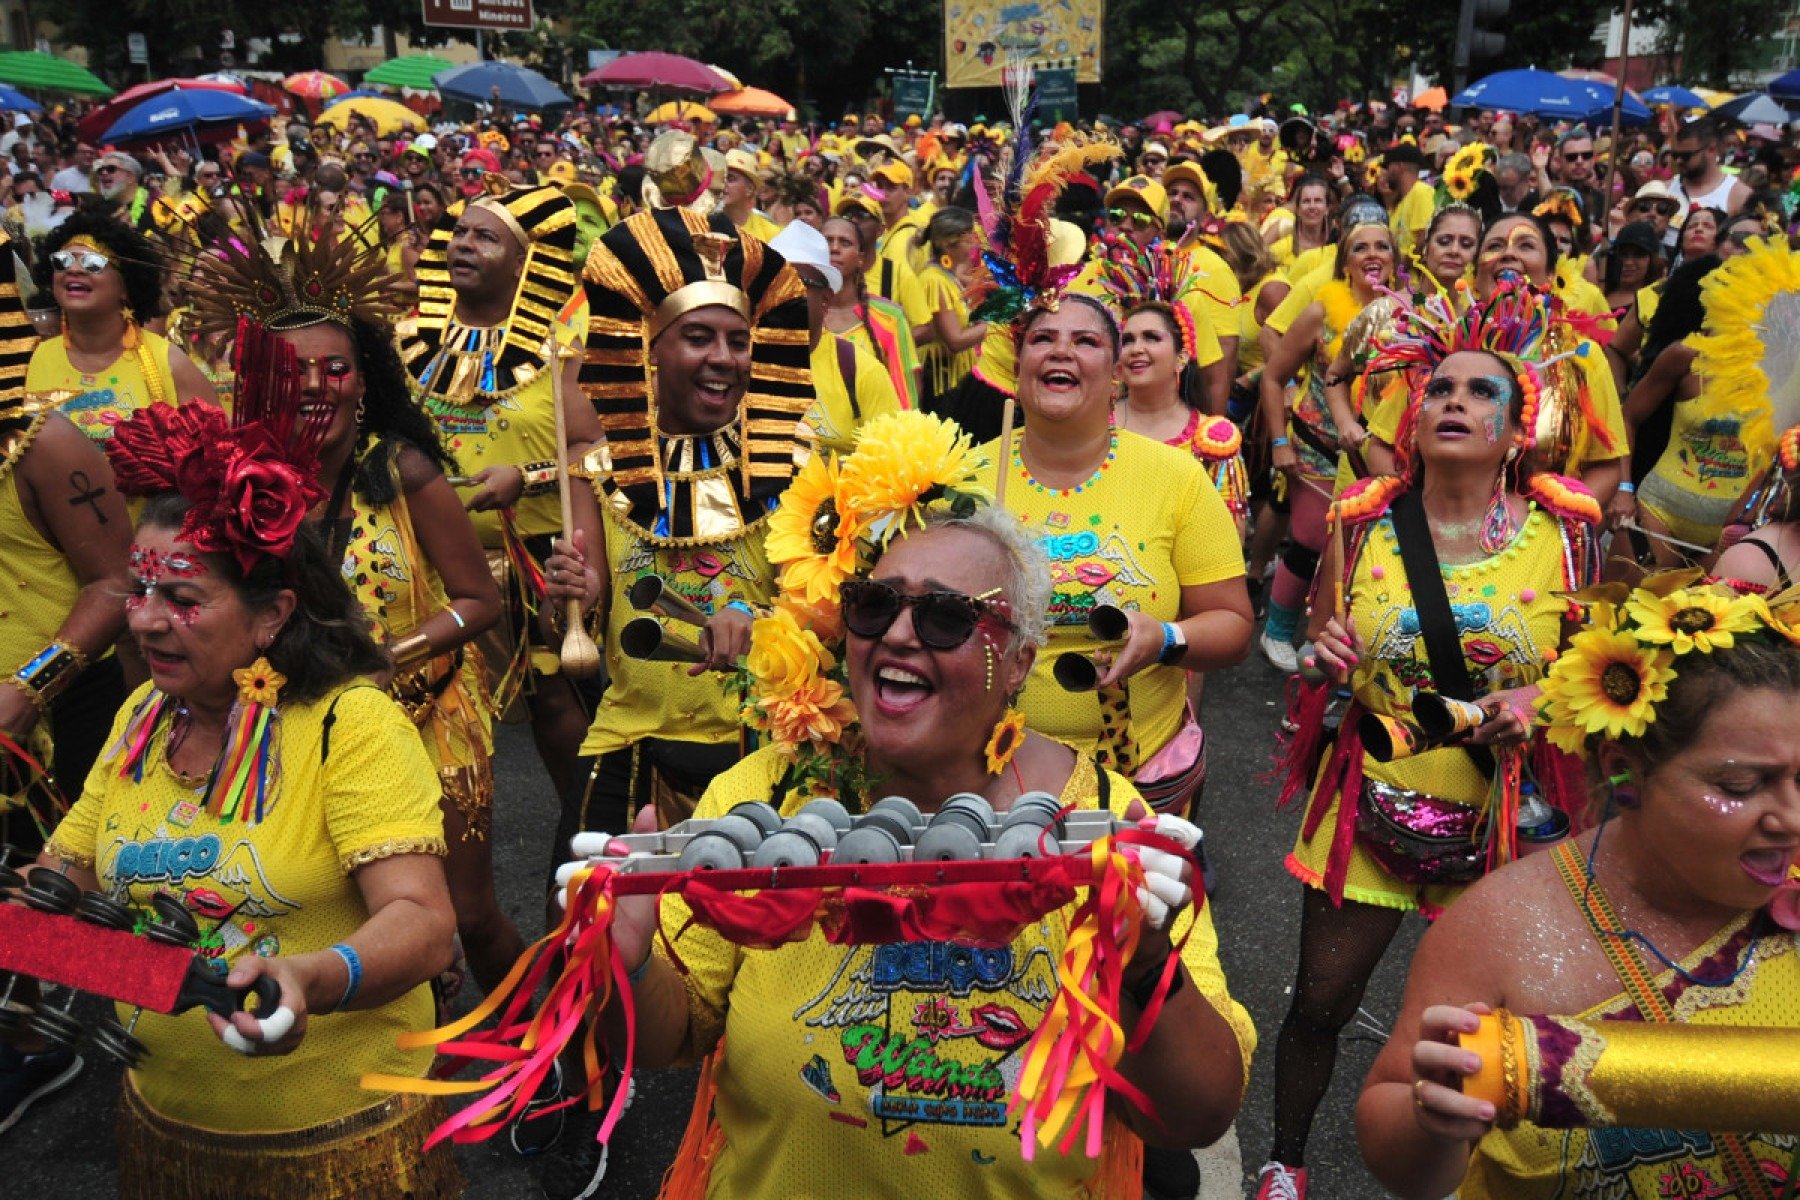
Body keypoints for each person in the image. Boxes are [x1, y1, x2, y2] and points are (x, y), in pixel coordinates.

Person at [559, 494, 1255, 1198]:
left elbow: (1197, 1112)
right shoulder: (765, 796)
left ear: (1018, 664)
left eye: (946, 617)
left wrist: (1144, 965)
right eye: (873, 606)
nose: (896, 634)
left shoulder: (1104, 817)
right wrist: (628, 961)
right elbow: (662, 1039)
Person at [37, 351, 460, 1198]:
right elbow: (65, 886)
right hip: (170, 1127)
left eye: (184, 599)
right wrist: (35, 942)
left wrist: (310, 977)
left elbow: (423, 923)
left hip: (339, 1141)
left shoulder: (350, 723)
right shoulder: (138, 721)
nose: (148, 621)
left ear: (272, 615)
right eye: (140, 592)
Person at [1259, 285, 1603, 1200]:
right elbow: (1322, 646)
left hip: (1506, 820)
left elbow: (1607, 674)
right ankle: (1284, 1165)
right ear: (1412, 417)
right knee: (1320, 1006)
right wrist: (1326, 655)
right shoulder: (1363, 521)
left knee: (1503, 1034)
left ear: (1519, 425)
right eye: (1439, 388)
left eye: (1481, 391)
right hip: (1370, 801)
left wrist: (1543, 696)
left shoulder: (1568, 539)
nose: (1454, 401)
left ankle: (1482, 1181)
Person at [1356, 582, 1800, 1199]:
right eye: (1744, 783)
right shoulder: (1498, 928)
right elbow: (1396, 1145)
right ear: (1627, 768)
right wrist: (1435, 1122)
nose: (1791, 818)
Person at [988, 293, 1253, 818]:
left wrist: (1166, 639)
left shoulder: (1175, 477)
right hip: (994, 777)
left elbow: (1232, 624)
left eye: (1085, 341)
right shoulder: (962, 477)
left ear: (1114, 374)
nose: (1061, 351)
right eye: (1043, 339)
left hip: (1140, 777)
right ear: (1016, 367)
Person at [400, 177, 604, 820]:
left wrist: (530, 478)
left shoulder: (558, 347)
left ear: (523, 263)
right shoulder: (408, 341)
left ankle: (581, 831)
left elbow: (593, 450)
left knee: (557, 704)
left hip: (534, 563)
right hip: (431, 565)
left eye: (485, 237)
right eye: (460, 231)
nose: (463, 243)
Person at [0, 238, 137, 1131]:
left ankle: (193, 1014)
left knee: (59, 895)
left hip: (50, 714)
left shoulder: (44, 441)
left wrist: (29, 687)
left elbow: (119, 582)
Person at [1257, 210, 1399, 672]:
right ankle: (1277, 631)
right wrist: (1279, 442)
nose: (1372, 255)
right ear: (1345, 264)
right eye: (1361, 247)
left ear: (1396, 262)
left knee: (1361, 553)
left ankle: (1335, 639)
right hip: (1318, 444)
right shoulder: (1320, 311)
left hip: (1378, 452)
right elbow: (1275, 376)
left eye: (1382, 247)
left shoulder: (1405, 315)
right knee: (1312, 540)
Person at [25, 212, 218, 440]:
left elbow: (217, 454)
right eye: (62, 261)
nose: (74, 270)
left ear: (125, 286)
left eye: (93, 264)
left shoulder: (168, 362)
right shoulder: (35, 359)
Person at [821, 213, 921, 408]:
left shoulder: (890, 317)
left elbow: (906, 398)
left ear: (860, 258)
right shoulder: (800, 312)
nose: (834, 248)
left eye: (845, 243)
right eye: (827, 241)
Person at [913, 206, 988, 409]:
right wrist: (995, 323)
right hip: (941, 383)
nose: (974, 244)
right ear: (948, 245)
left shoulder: (946, 274)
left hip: (951, 380)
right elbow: (955, 340)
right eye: (968, 240)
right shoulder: (934, 281)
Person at [1666, 117, 1751, 251]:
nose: (1679, 161)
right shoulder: (1665, 188)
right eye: (1675, 155)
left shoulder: (1738, 195)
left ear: (1711, 150)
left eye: (1686, 156)